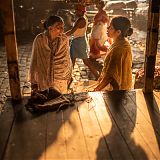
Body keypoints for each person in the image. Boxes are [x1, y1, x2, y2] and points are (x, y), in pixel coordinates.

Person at [88, 16, 133, 91]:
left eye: (111, 28)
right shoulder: (120, 43)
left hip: (117, 89)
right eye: (109, 27)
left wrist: (97, 89)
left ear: (118, 32)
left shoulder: (119, 48)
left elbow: (110, 75)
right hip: (122, 85)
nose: (108, 29)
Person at [30, 15, 72, 94]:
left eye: (63, 27)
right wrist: (33, 82)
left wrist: (69, 74)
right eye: (59, 28)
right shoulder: (40, 39)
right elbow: (34, 61)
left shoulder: (64, 39)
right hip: (43, 78)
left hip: (60, 77)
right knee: (45, 101)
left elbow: (67, 58)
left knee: (60, 101)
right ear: (50, 28)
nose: (62, 31)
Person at [65, 4, 99, 79]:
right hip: (78, 40)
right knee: (72, 59)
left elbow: (71, 31)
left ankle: (98, 76)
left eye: (77, 10)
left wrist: (61, 35)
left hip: (79, 42)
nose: (76, 11)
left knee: (85, 61)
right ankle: (69, 77)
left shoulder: (81, 20)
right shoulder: (82, 18)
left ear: (81, 11)